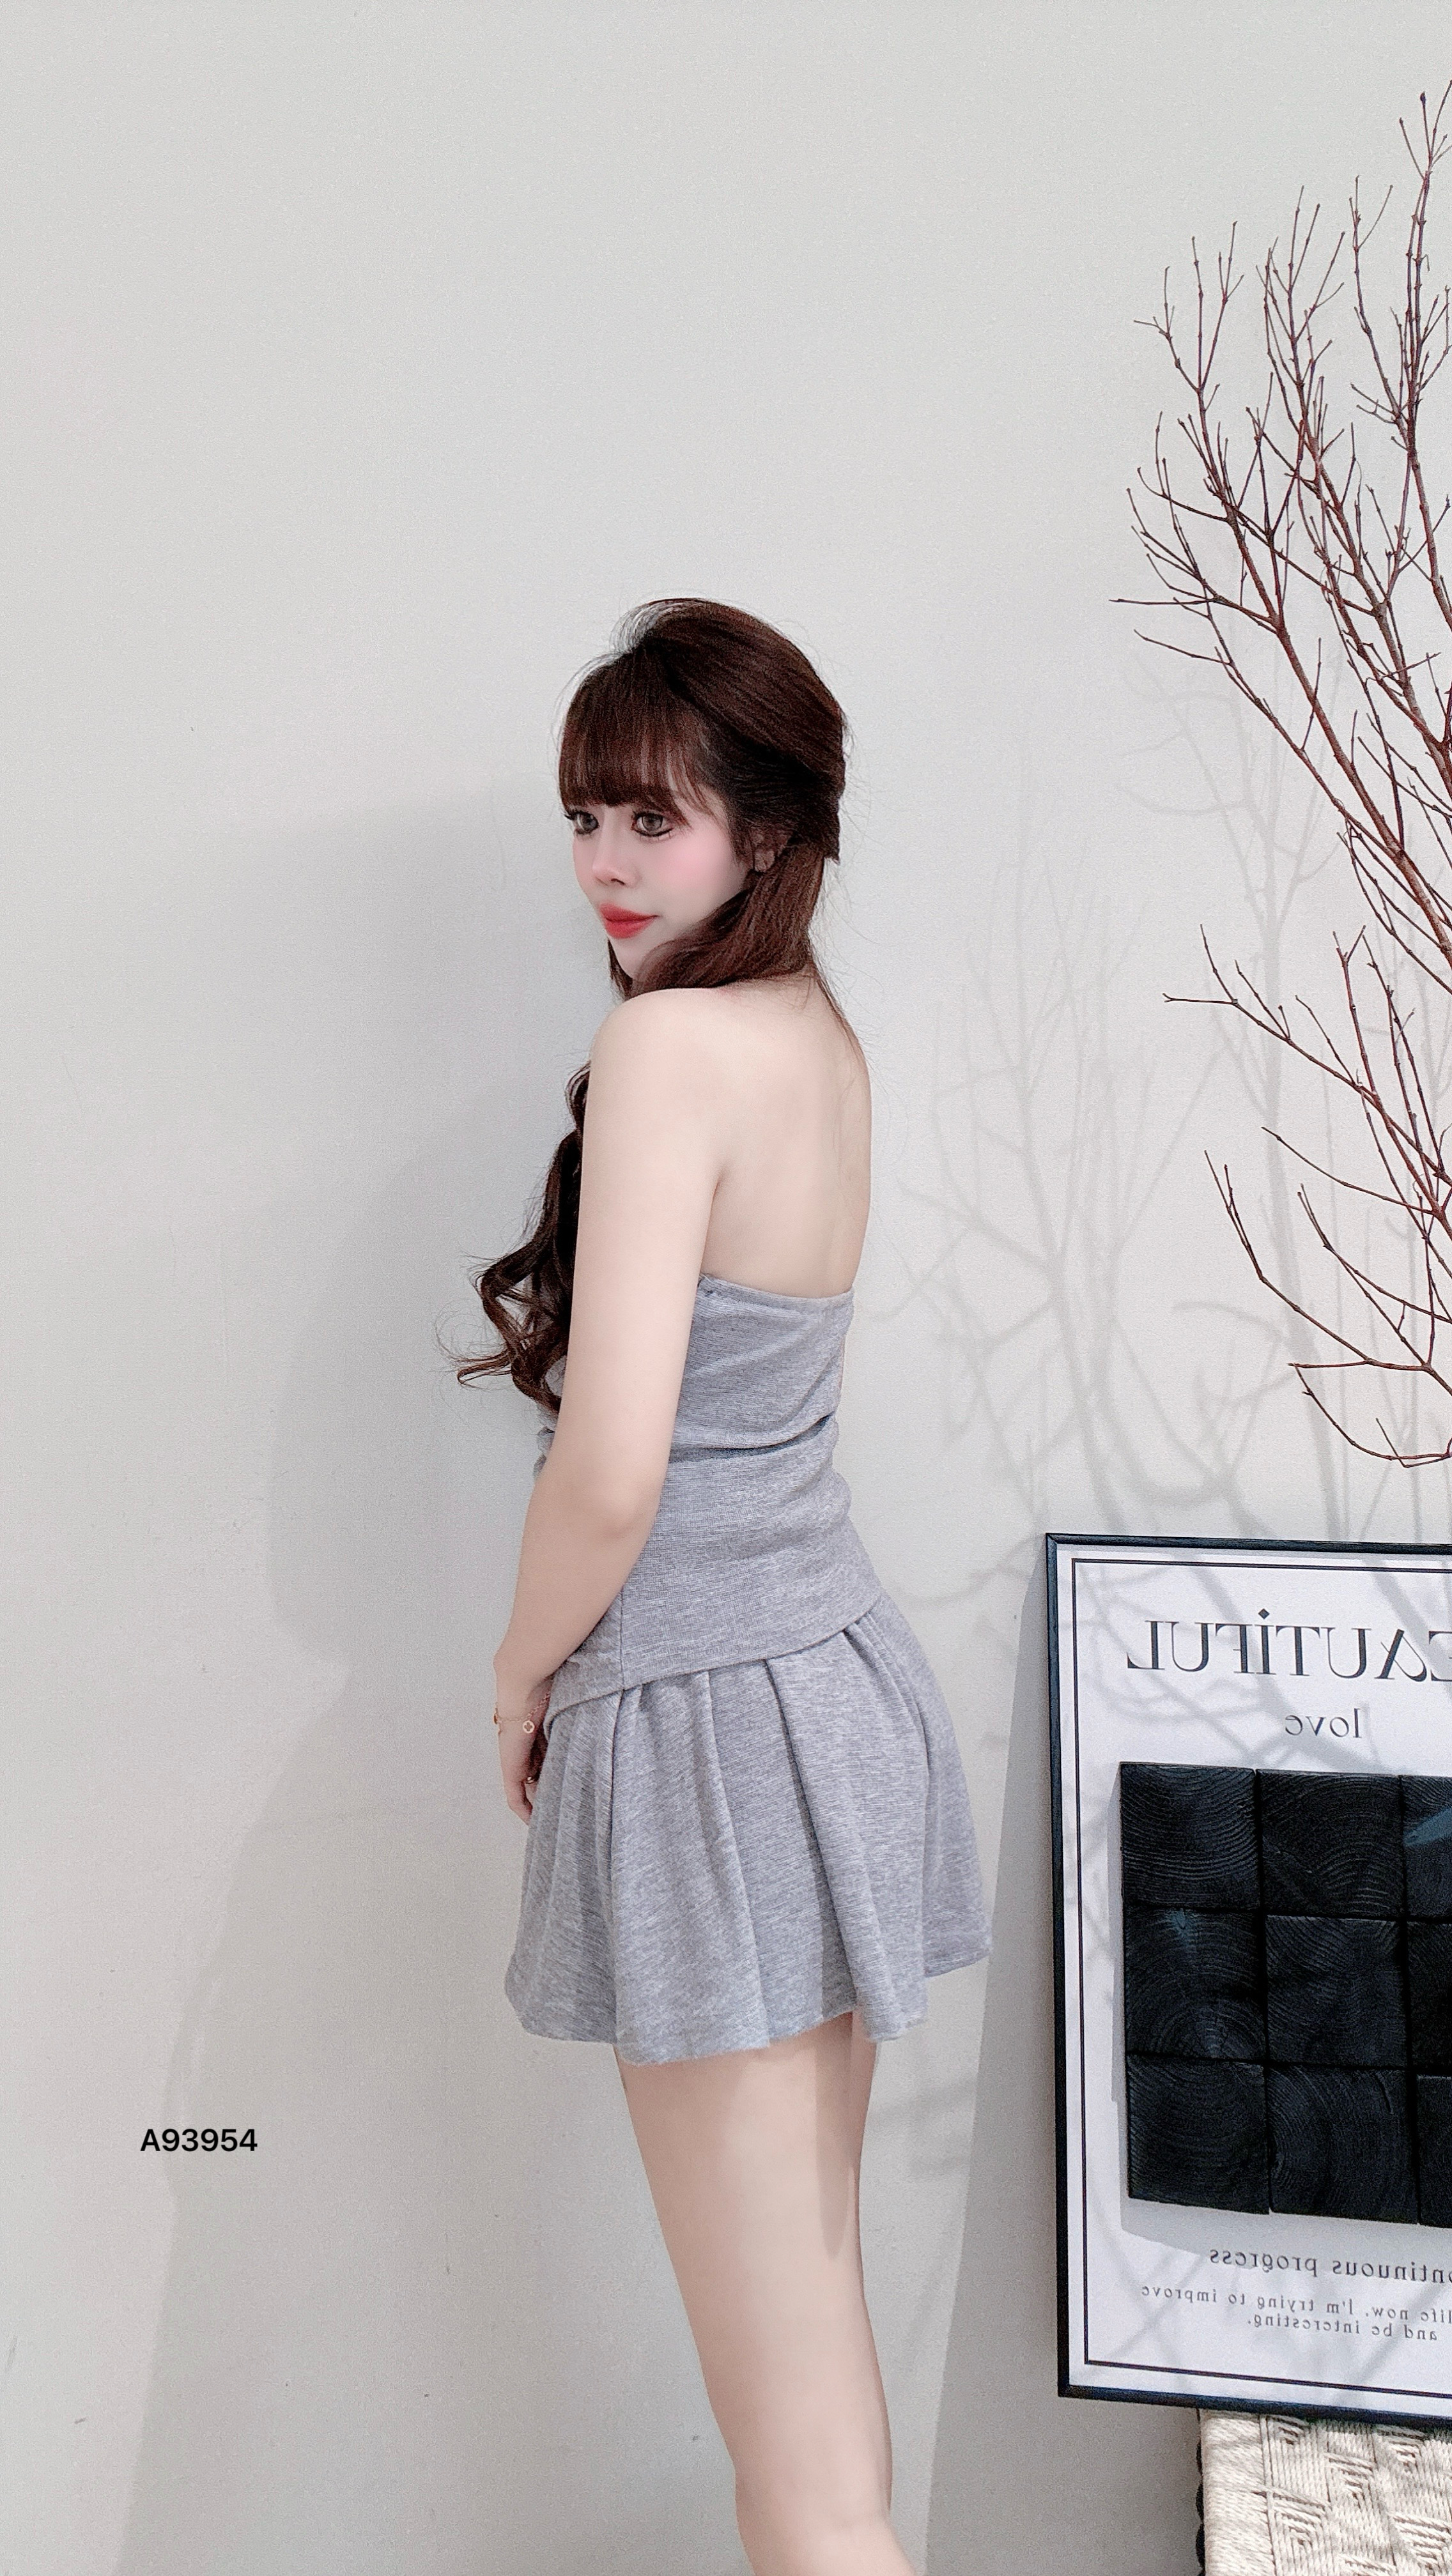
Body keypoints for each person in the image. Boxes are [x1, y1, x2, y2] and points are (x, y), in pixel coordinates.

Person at [460, 598, 990, 2576]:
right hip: (829, 1692)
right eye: (584, 817)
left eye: (651, 818)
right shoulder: (815, 1043)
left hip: (708, 1736)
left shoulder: (669, 1046)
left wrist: (520, 1676)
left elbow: (615, 1470)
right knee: (816, 2378)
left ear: (764, 830)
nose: (605, 861)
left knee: (802, 2456)